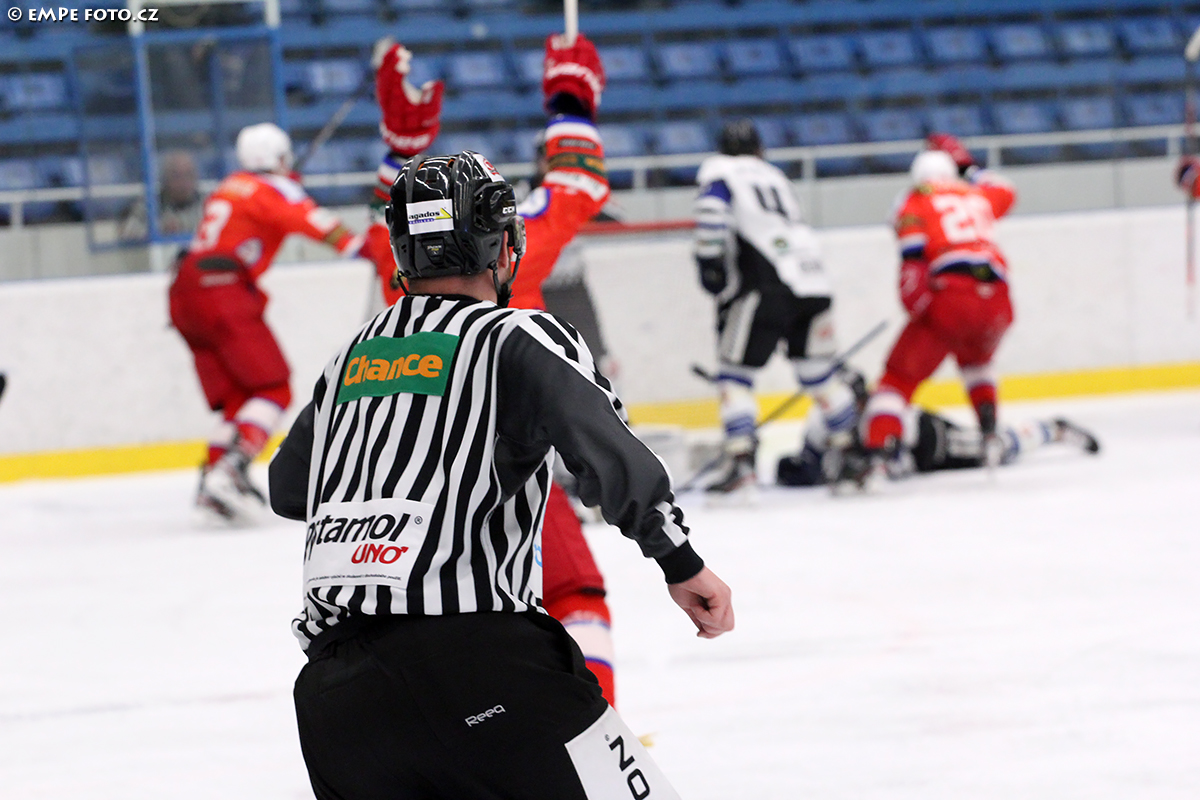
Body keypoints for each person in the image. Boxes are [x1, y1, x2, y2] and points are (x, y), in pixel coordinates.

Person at [268, 151, 734, 799]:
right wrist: (680, 563)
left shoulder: (349, 358)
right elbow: (610, 456)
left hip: (336, 705)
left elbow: (289, 488)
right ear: (500, 244)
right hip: (478, 663)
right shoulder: (519, 335)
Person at [169, 122, 373, 523]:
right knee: (273, 388)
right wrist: (374, 250)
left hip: (184, 291)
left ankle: (212, 478)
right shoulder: (276, 189)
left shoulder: (231, 184)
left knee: (239, 398)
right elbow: (327, 229)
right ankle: (230, 471)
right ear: (279, 157)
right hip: (223, 287)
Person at [693, 118, 859, 496]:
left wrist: (710, 266)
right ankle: (850, 457)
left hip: (765, 282)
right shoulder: (777, 177)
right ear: (759, 150)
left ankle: (740, 464)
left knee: (734, 375)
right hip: (813, 280)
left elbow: (711, 216)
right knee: (819, 374)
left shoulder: (720, 172)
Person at [855, 133, 1017, 485]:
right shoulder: (977, 194)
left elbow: (912, 260)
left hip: (952, 295)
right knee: (977, 363)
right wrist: (969, 168)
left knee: (897, 379)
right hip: (999, 297)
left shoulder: (914, 201)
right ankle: (990, 435)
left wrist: (917, 308)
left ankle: (878, 456)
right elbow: (1007, 189)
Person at [777, 369, 1101, 487]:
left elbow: (896, 464)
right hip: (915, 450)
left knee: (996, 448)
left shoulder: (888, 417)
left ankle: (1052, 429)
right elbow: (809, 464)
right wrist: (796, 470)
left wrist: (867, 466)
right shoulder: (819, 422)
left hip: (930, 441)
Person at [117, 150, 205, 241]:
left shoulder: (207, 205)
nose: (183, 182)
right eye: (177, 176)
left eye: (189, 175)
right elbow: (126, 230)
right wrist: (159, 230)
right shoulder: (150, 204)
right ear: (166, 178)